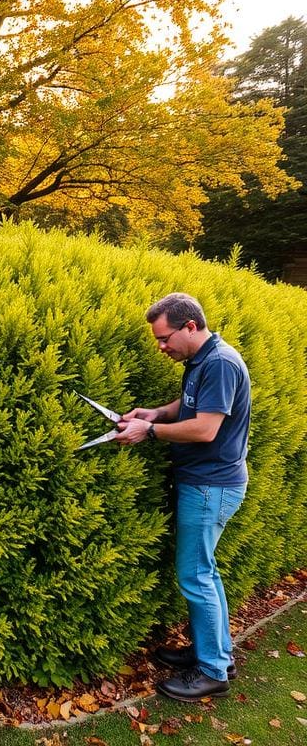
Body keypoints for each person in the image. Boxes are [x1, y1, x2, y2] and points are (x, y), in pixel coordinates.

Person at [115, 292, 251, 702]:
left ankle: (211, 672)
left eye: (164, 338)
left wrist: (148, 432)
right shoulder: (203, 360)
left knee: (196, 577)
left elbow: (205, 428)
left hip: (211, 486)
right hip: (207, 483)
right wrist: (156, 412)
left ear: (190, 327)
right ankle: (216, 654)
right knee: (205, 572)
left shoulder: (221, 363)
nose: (161, 347)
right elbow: (191, 405)